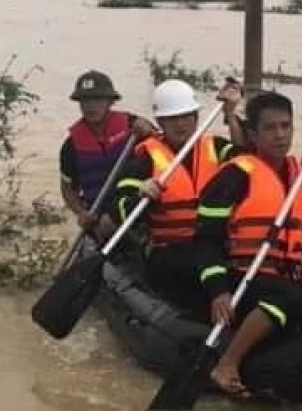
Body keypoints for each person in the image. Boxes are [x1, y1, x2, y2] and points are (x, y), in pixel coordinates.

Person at [194, 91, 302, 396]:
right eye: (271, 128)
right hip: (242, 277)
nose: (280, 135)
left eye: (286, 127)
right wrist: (217, 291)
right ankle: (227, 364)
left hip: (284, 273)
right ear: (252, 134)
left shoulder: (301, 176)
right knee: (288, 297)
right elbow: (206, 239)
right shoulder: (235, 174)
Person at [111, 78, 245, 299]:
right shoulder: (145, 157)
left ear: (196, 118)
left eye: (186, 117)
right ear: (161, 122)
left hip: (213, 245)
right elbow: (119, 208)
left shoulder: (216, 147)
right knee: (195, 268)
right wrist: (140, 194)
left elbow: (248, 161)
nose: (181, 124)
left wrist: (230, 114)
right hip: (170, 251)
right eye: (173, 118)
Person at [58, 70, 154, 241]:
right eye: (85, 101)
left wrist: (150, 131)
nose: (91, 106)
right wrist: (81, 212)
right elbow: (67, 188)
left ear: (110, 101)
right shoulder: (70, 146)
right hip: (98, 223)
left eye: (97, 99)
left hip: (136, 212)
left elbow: (164, 154)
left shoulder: (134, 126)